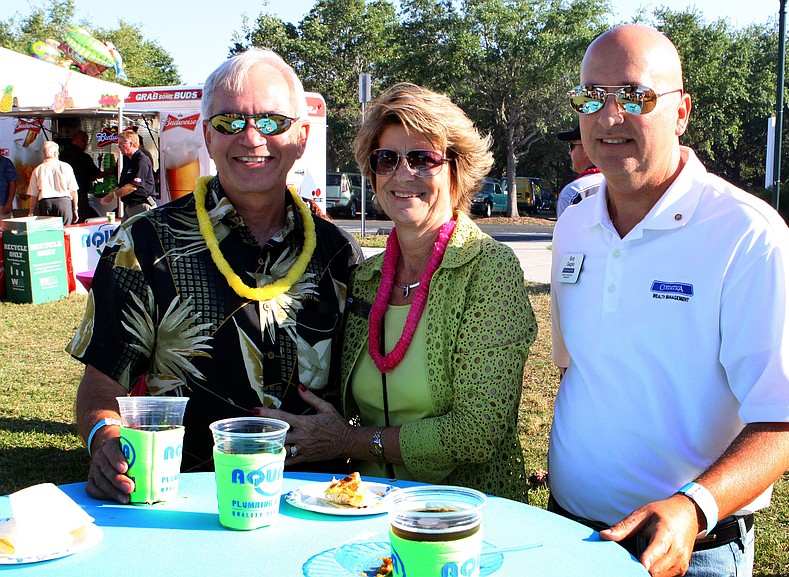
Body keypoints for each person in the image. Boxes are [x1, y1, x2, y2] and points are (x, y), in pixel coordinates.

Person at [549, 25, 789, 577]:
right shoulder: (574, 225)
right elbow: (578, 369)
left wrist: (692, 506)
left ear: (681, 112)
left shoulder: (748, 236)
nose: (609, 117)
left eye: (635, 96)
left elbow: (786, 420)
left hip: (688, 551)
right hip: (568, 534)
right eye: (592, 96)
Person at [68, 48, 363, 504]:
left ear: (301, 137)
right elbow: (102, 385)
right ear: (207, 136)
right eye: (229, 122)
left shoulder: (340, 254)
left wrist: (347, 439)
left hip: (319, 500)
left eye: (271, 121)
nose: (250, 137)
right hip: (184, 501)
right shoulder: (143, 243)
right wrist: (104, 440)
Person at [255, 83, 538, 502]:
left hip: (461, 517)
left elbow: (478, 431)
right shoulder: (365, 277)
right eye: (387, 159)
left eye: (423, 159)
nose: (403, 174)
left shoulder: (489, 269)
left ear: (457, 170)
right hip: (362, 510)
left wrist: (351, 442)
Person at [99, 130, 156, 218]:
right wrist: (109, 195)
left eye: (121, 143)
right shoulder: (127, 160)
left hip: (141, 206)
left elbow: (133, 186)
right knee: (123, 231)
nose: (119, 146)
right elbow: (122, 185)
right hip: (129, 207)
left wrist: (112, 196)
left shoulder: (141, 160)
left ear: (131, 143)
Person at [26, 140, 79, 225]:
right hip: (64, 203)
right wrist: (75, 208)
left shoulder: (38, 170)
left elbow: (33, 194)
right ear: (55, 153)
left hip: (46, 203)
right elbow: (73, 190)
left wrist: (31, 213)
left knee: (49, 234)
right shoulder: (66, 167)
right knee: (65, 232)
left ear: (44, 154)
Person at [555, 125, 602, 217]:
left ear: (586, 149)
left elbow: (566, 230)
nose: (569, 152)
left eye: (571, 146)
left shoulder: (575, 191)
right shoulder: (624, 185)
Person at [59, 130, 103, 222]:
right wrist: (113, 170)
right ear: (82, 141)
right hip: (80, 194)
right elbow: (97, 174)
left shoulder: (62, 155)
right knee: (81, 221)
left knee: (67, 222)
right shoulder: (84, 157)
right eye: (86, 142)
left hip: (64, 195)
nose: (86, 145)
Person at [0, 154, 18, 219]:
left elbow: (12, 182)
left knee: (4, 228)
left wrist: (9, 202)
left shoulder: (5, 162)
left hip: (2, 205)